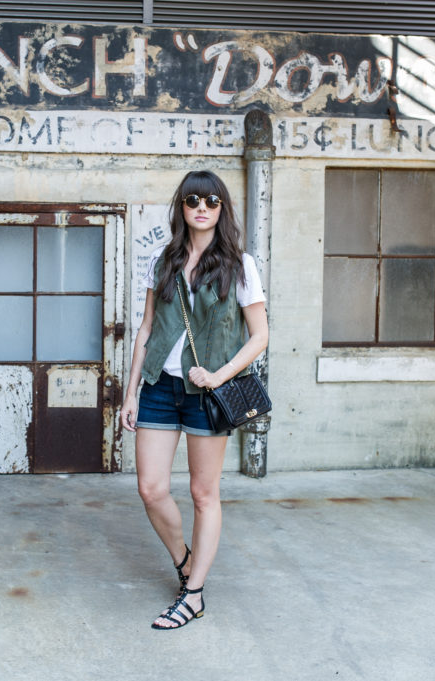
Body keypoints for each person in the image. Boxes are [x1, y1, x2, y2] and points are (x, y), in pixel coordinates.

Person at [119, 170, 269, 630]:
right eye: (192, 199)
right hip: (160, 390)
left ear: (221, 208)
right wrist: (131, 393)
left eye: (211, 200)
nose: (201, 207)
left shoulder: (240, 265)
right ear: (182, 207)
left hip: (208, 394)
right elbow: (146, 330)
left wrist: (219, 375)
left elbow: (260, 336)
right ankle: (185, 560)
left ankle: (194, 593)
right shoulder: (161, 260)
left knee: (204, 493)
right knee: (151, 488)